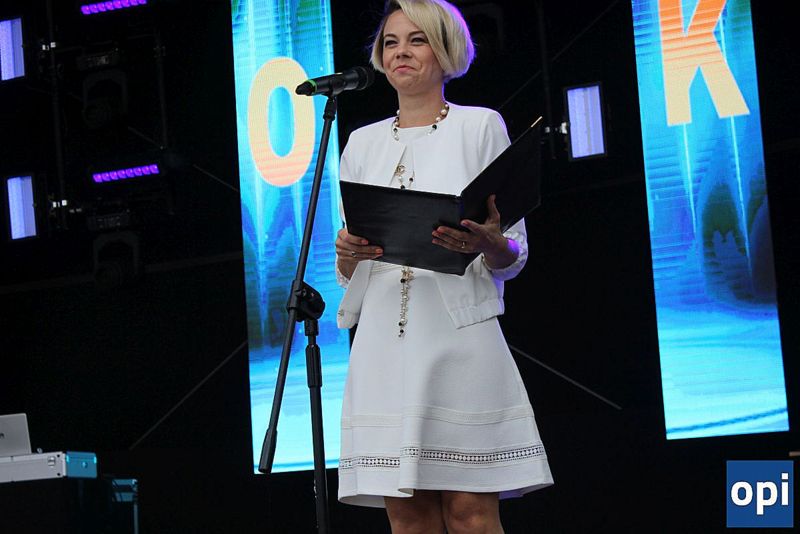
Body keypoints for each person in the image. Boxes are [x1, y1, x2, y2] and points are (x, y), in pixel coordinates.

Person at [334, 1, 553, 532]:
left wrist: (489, 243)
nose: (401, 52)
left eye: (417, 40)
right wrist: (346, 254)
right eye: (390, 42)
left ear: (445, 49)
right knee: (407, 516)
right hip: (382, 341)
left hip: (459, 336)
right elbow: (348, 269)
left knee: (470, 511)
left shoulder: (480, 126)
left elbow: (513, 254)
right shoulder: (360, 143)